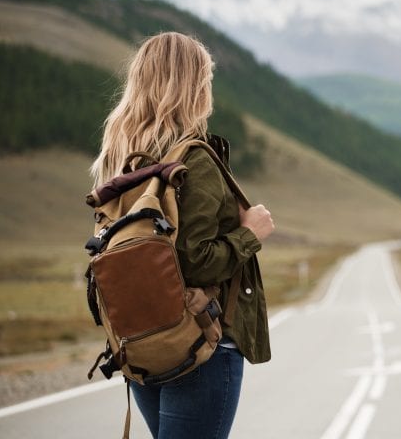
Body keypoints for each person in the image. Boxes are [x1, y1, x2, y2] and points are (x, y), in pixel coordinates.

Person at [90, 31, 274, 439]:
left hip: (141, 338)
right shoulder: (192, 159)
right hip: (202, 343)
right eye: (205, 79)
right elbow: (196, 262)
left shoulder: (120, 163)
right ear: (192, 87)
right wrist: (250, 234)